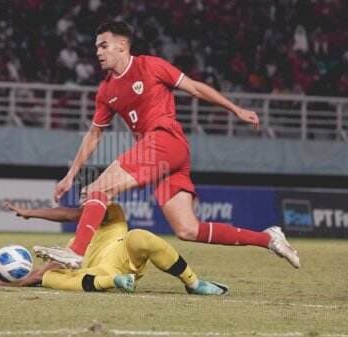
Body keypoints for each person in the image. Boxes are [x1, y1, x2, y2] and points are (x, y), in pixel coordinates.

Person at [35, 21, 300, 269]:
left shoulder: (150, 66)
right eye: (96, 47)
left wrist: (236, 109)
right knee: (187, 229)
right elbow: (93, 135)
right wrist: (71, 175)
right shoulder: (106, 91)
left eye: (103, 45)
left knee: (98, 189)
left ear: (122, 45)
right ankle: (268, 238)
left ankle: (77, 252)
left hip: (165, 138)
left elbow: (195, 88)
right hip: (164, 156)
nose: (98, 52)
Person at [0, 202, 229, 295]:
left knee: (140, 236)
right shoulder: (71, 249)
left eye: (93, 198)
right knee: (51, 278)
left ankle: (194, 283)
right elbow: (36, 277)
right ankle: (114, 281)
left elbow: (71, 213)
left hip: (122, 252)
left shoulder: (113, 214)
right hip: (99, 271)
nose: (88, 205)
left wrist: (31, 213)